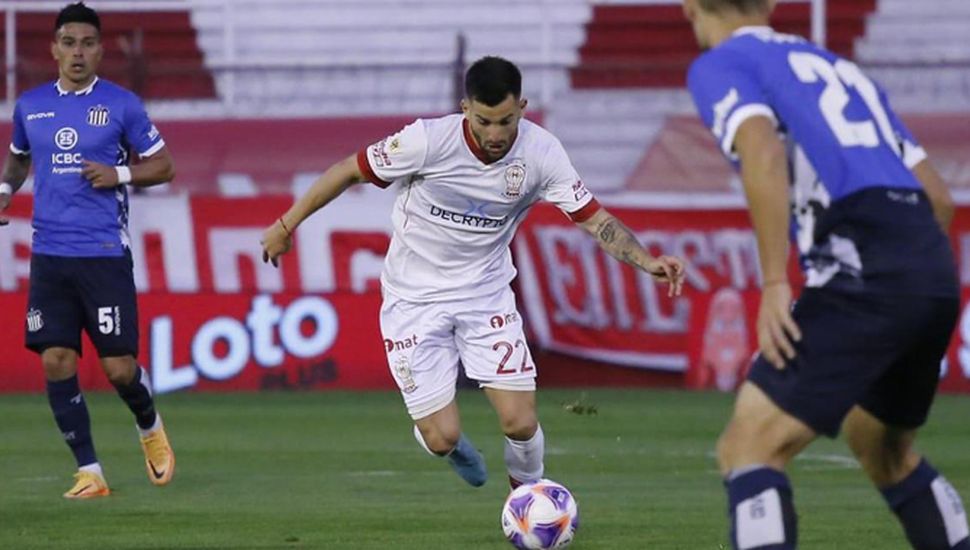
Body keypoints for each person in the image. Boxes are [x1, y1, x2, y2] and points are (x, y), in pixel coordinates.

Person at [261, 56, 686, 489]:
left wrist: (646, 260)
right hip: (413, 299)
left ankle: (529, 497)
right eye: (485, 121)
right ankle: (450, 447)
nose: (496, 134)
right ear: (466, 108)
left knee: (520, 422)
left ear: (522, 107)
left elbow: (597, 221)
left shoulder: (542, 153)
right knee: (441, 436)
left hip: (484, 295)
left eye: (506, 121)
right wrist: (285, 225)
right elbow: (348, 171)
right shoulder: (426, 141)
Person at [682, 0, 969, 548]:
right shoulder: (840, 69)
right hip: (931, 268)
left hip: (863, 265)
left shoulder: (722, 63)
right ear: (768, 4)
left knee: (749, 449)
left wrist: (773, 283)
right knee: (884, 450)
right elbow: (939, 197)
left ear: (689, 6)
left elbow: (762, 153)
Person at [0, 2, 176, 499]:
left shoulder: (123, 105)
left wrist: (118, 173)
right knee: (56, 358)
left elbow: (164, 166)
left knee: (119, 367)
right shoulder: (30, 106)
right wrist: (5, 191)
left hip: (102, 252)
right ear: (54, 48)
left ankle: (149, 427)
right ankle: (90, 472)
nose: (78, 52)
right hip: (49, 253)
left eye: (88, 43)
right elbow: (17, 161)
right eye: (70, 42)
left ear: (101, 51)